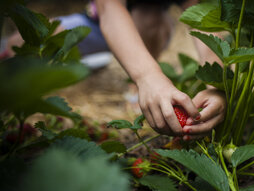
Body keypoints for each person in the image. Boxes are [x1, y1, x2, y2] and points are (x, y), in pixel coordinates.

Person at [3, 0, 226, 141]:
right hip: (96, 22)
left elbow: (202, 19)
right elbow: (109, 8)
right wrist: (149, 76)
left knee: (148, 14)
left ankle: (134, 93)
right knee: (21, 43)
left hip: (145, 30)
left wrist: (216, 85)